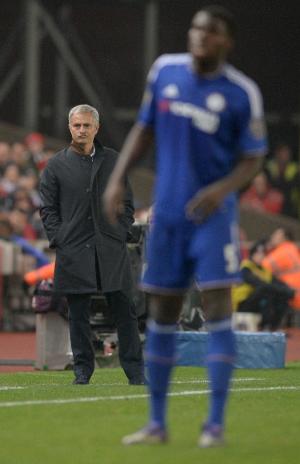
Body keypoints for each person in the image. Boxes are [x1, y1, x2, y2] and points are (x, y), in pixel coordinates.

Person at [103, 5, 267, 447]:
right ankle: (156, 424)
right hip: (169, 215)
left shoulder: (241, 92)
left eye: (211, 31)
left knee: (216, 311)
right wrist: (117, 179)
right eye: (196, 28)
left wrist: (222, 189)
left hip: (213, 219)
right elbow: (144, 128)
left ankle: (214, 425)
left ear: (226, 42)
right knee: (161, 313)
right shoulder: (165, 71)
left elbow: (253, 157)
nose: (200, 36)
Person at [39, 104, 144, 385]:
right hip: (73, 249)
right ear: (69, 127)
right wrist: (60, 238)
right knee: (78, 315)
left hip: (110, 248)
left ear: (96, 128)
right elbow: (47, 210)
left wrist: (119, 233)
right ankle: (82, 371)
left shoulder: (113, 161)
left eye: (87, 125)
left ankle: (136, 372)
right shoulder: (55, 165)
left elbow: (127, 204)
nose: (82, 130)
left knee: (126, 312)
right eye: (77, 125)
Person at [232, 241, 294, 330]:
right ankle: (265, 325)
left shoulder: (265, 271)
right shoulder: (245, 267)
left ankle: (273, 327)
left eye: (262, 254)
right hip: (242, 303)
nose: (260, 256)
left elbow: (278, 283)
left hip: (257, 302)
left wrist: (288, 290)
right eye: (258, 254)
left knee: (282, 295)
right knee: (265, 290)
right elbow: (259, 284)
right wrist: (282, 290)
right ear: (252, 254)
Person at [262, 227, 300, 311]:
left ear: (285, 238)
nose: (272, 237)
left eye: (276, 235)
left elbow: (260, 268)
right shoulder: (293, 249)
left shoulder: (281, 252)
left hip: (291, 297)